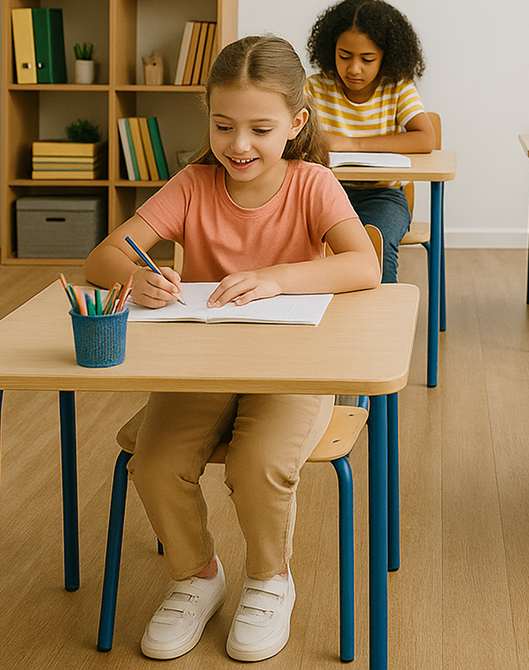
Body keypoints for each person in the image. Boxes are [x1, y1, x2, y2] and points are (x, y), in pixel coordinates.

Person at [84, 36, 380, 661]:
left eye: (259, 129)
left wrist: (278, 277)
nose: (239, 145)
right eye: (223, 126)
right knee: (155, 462)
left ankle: (270, 580)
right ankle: (197, 575)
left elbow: (364, 264)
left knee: (257, 464)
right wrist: (134, 278)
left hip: (292, 370)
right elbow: (102, 257)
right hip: (204, 363)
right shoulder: (192, 184)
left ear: (295, 124)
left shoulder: (313, 184)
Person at [306, 0, 436, 283]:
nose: (354, 69)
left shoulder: (397, 88)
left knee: (377, 244)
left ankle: (383, 313)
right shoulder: (315, 88)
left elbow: (425, 138)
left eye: (367, 60)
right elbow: (293, 136)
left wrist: (351, 143)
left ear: (385, 57)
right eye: (344, 56)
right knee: (304, 246)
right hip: (326, 192)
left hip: (383, 196)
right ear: (330, 49)